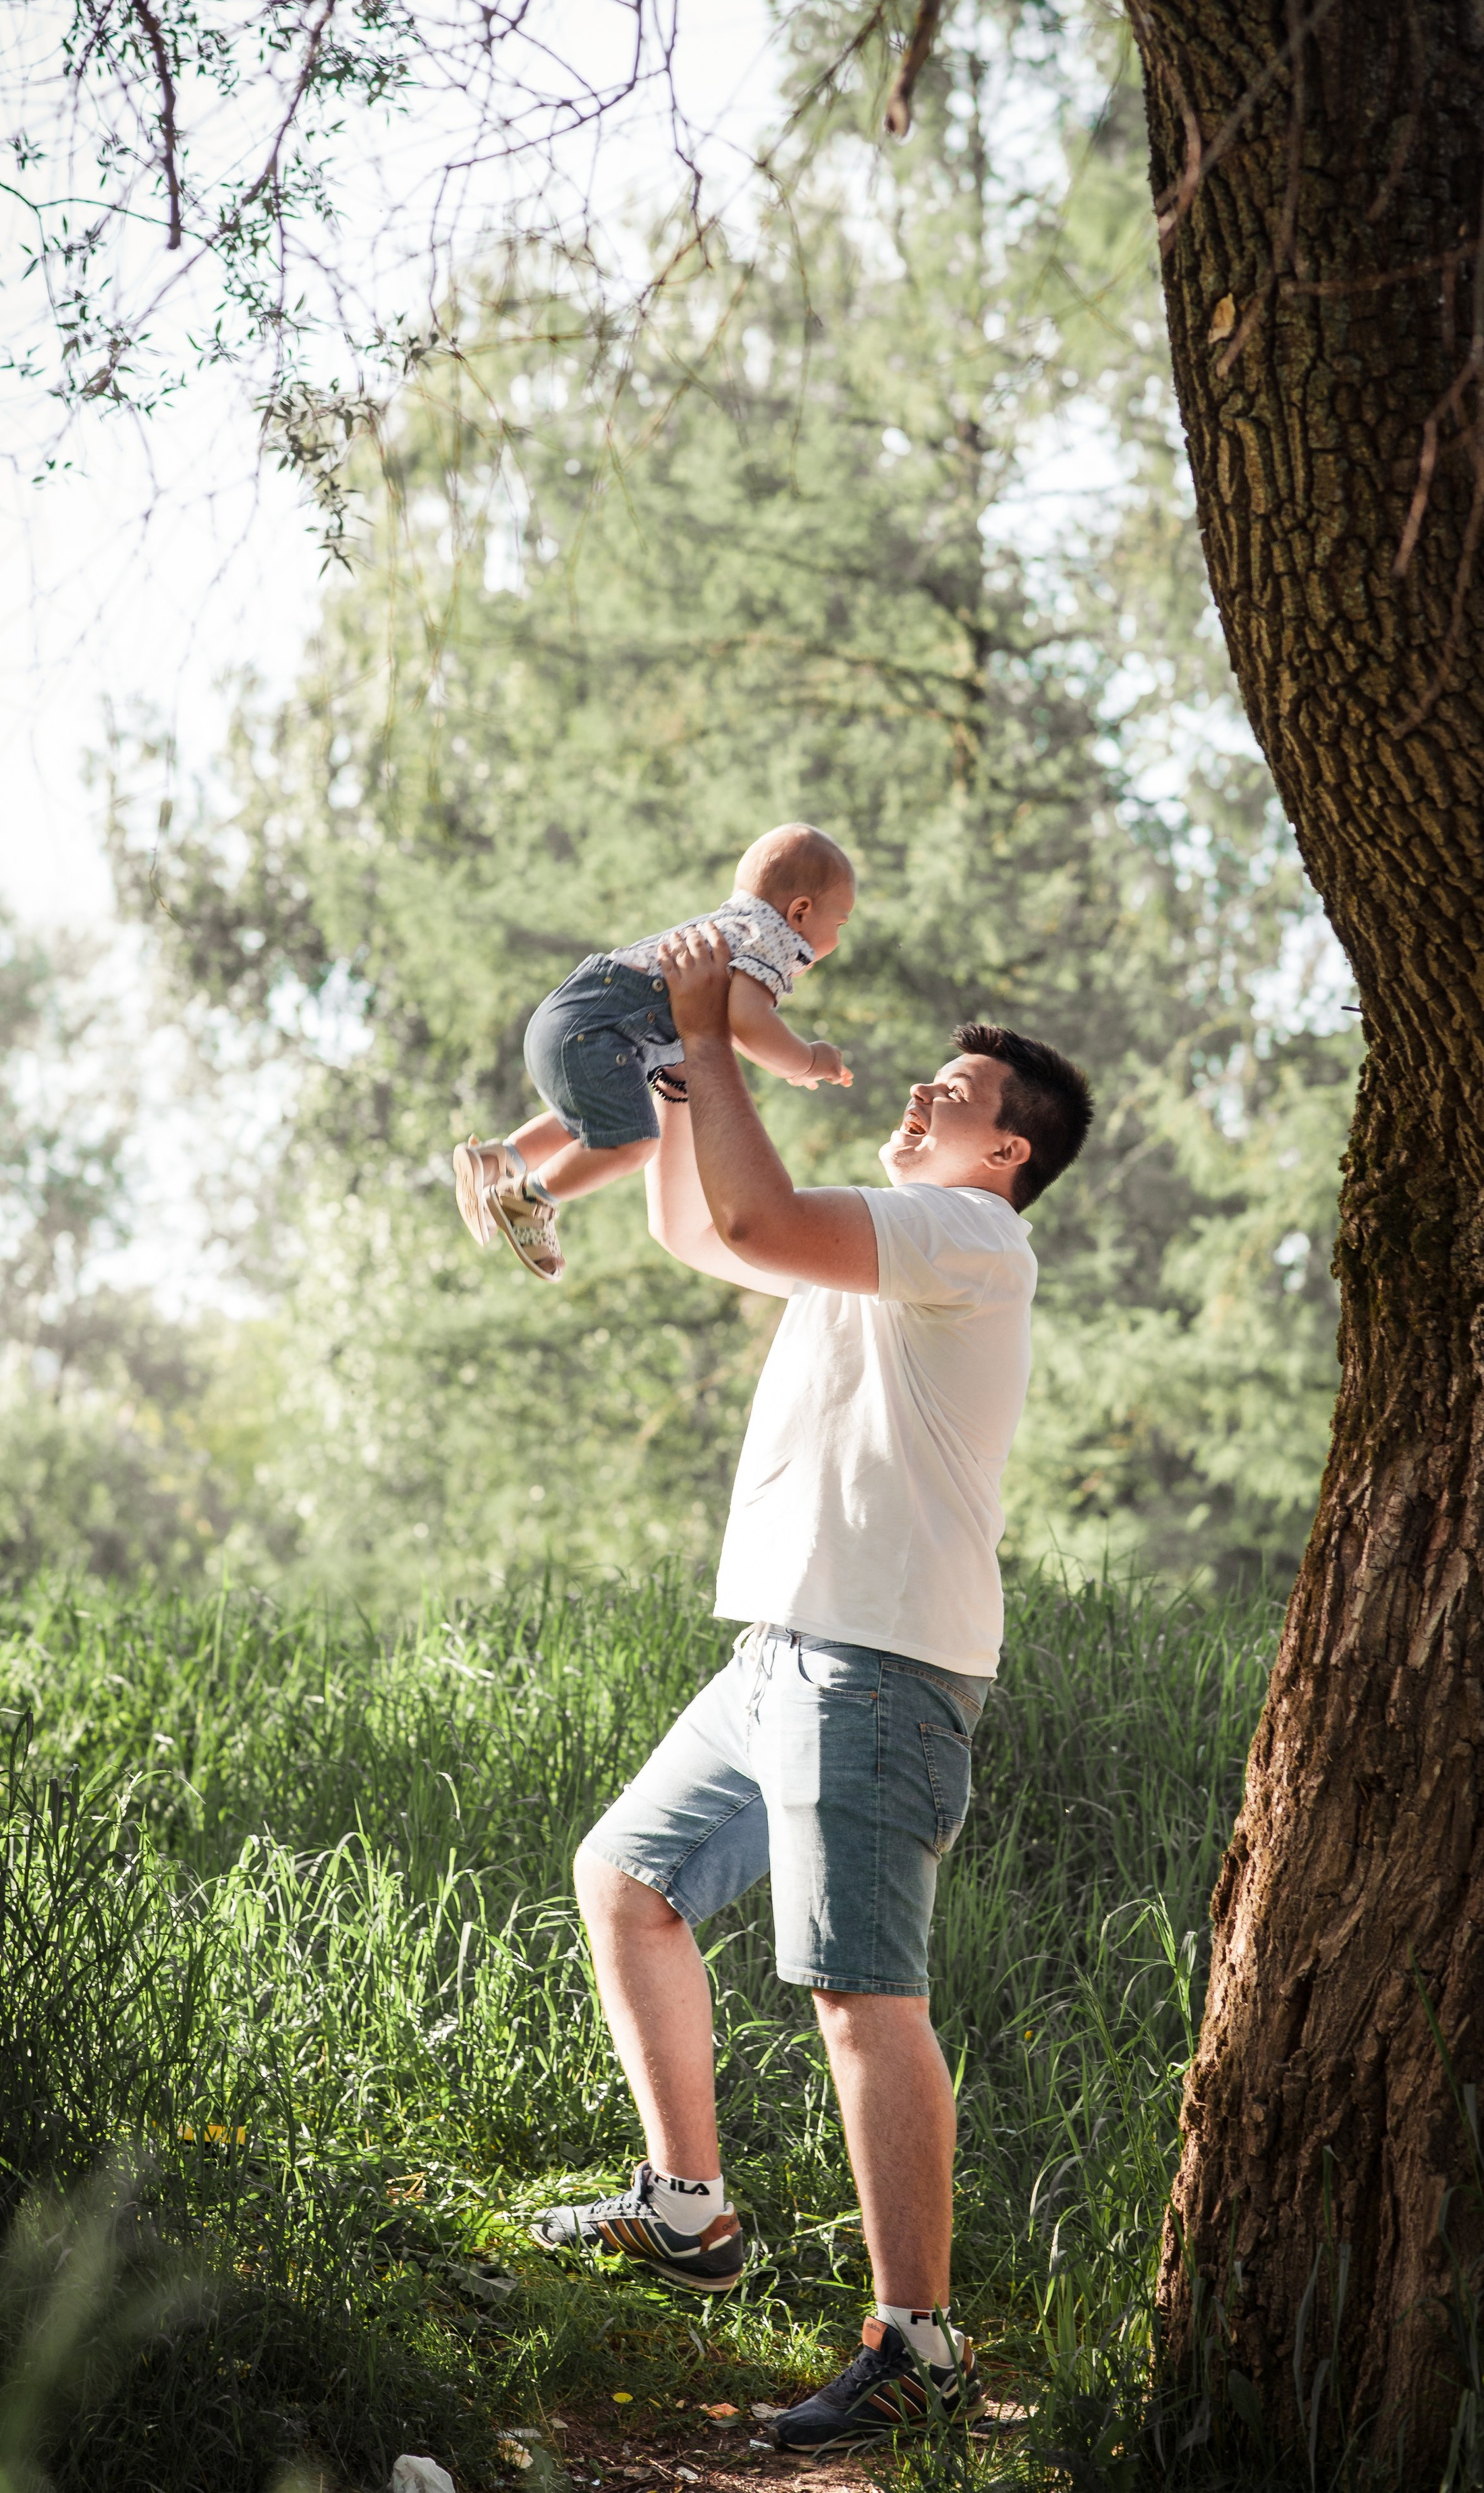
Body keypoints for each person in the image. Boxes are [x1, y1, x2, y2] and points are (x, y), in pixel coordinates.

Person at [534, 921, 1093, 2455]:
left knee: (862, 1998)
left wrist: (709, 1027)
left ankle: (913, 2342)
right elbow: (712, 1228)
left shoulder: (966, 1243)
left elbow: (762, 1211)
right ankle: (687, 2209)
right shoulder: (888, 1241)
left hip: (876, 1664)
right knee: (628, 1877)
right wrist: (666, 1069)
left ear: (1006, 1152)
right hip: (776, 1649)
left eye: (956, 1089)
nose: (921, 1088)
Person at [449, 823, 855, 1284]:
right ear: (801, 911)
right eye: (840, 921)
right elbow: (748, 1020)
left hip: (573, 1016)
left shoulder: (735, 923)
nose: (839, 940)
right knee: (633, 1142)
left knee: (595, 1120)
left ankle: (499, 1159)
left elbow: (732, 1028)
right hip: (598, 1030)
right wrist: (806, 1058)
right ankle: (530, 1197)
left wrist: (781, 1061)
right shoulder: (775, 939)